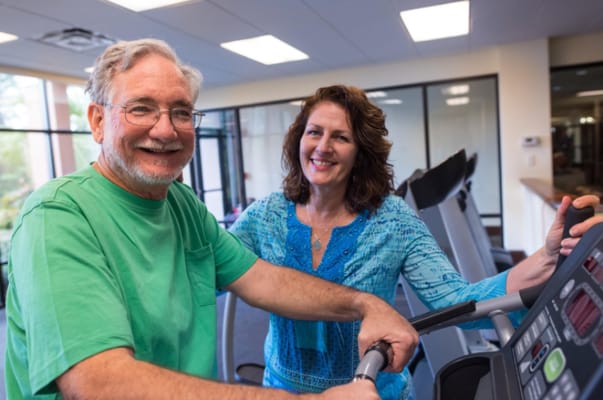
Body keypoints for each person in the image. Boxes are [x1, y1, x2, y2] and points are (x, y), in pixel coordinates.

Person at [4, 40, 419, 400]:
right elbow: (98, 385)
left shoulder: (182, 206)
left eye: (181, 112)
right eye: (141, 109)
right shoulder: (57, 218)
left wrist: (367, 305)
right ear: (97, 121)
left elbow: (264, 279)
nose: (165, 130)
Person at [229, 84, 603, 399]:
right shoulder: (265, 216)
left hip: (371, 390)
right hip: (281, 391)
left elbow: (458, 302)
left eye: (340, 137)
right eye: (314, 132)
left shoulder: (392, 219)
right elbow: (209, 264)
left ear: (360, 152)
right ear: (299, 139)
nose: (323, 146)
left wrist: (547, 256)